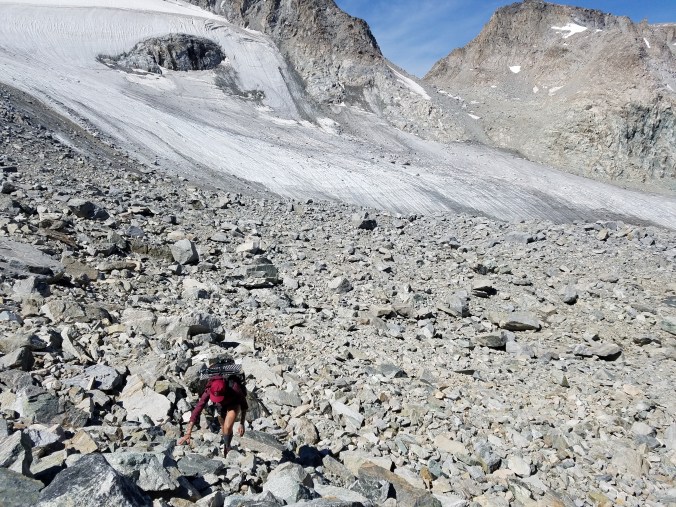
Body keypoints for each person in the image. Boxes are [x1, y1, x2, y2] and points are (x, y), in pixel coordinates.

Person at [178, 358, 248, 456]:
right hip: (220, 406)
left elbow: (244, 405)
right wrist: (188, 432)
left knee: (228, 426)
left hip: (233, 402)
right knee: (224, 429)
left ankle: (227, 450)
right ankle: (227, 446)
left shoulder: (234, 387)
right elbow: (198, 408)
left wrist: (242, 423)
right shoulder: (209, 390)